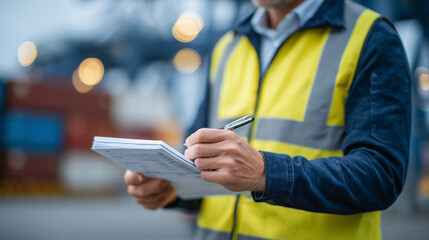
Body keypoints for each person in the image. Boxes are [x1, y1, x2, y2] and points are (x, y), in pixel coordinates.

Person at [124, 0, 411, 239]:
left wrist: (265, 173)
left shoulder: (371, 38)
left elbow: (381, 175)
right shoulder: (227, 46)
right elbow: (201, 163)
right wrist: (173, 189)